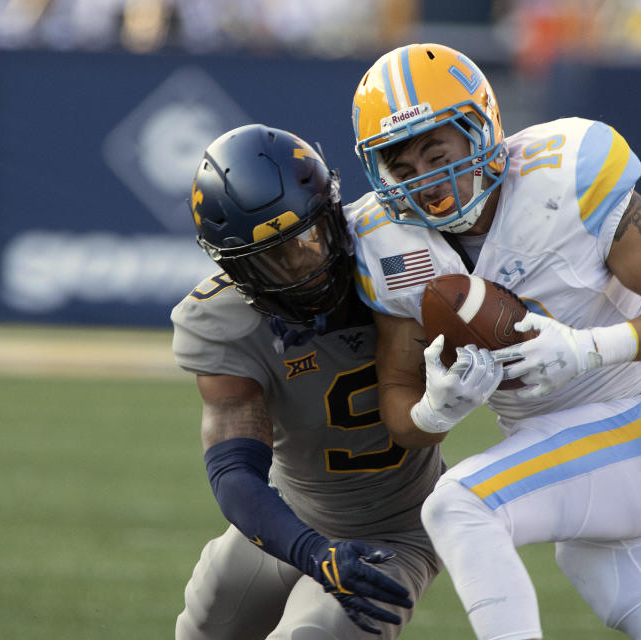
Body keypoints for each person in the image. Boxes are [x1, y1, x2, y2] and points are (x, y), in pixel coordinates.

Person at [348, 43, 641, 639]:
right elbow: (399, 406)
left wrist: (587, 348)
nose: (425, 181)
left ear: (480, 131)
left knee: (461, 505)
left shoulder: (563, 175)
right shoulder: (385, 241)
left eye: (436, 152)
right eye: (402, 167)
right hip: (579, 477)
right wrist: (434, 409)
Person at [171, 123, 442, 639]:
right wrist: (312, 550)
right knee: (205, 625)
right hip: (296, 513)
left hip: (398, 529)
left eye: (311, 235)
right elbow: (234, 472)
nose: (306, 265)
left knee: (312, 635)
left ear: (334, 213)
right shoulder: (222, 320)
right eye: (272, 259)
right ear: (237, 271)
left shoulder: (399, 259)